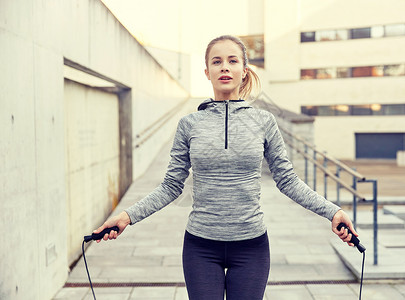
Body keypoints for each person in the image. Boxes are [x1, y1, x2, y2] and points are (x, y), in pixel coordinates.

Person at [94, 35, 358, 300]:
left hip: (251, 248)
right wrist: (127, 217)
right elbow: (171, 187)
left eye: (232, 61)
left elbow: (287, 180)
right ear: (207, 72)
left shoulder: (264, 121)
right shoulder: (189, 124)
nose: (224, 67)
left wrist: (332, 211)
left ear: (244, 71)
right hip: (200, 247)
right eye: (216, 61)